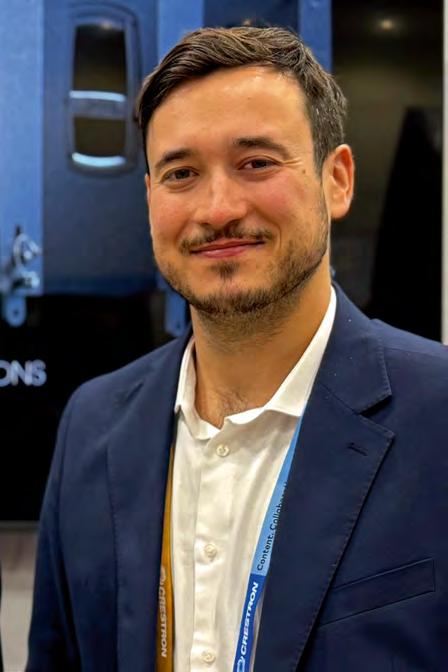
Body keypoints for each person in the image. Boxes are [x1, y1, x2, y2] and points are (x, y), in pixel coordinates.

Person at [27, 26, 448, 672]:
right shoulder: (93, 425)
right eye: (181, 174)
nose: (218, 208)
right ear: (150, 200)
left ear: (337, 180)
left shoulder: (438, 417)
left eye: (256, 163)